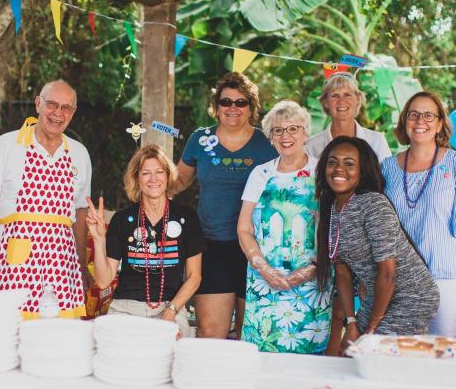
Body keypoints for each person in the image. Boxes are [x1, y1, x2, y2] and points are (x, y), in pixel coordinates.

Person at [0, 79, 92, 319]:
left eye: (66, 107)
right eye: (52, 104)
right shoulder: (8, 144)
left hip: (62, 265)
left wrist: (81, 263)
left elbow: (80, 213)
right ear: (38, 104)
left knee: (60, 332)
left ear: (73, 112)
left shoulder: (79, 153)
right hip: (13, 262)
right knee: (11, 329)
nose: (58, 113)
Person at [381, 91, 456, 338]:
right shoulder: (387, 168)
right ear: (404, 121)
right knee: (401, 350)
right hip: (402, 277)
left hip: (449, 275)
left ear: (440, 123)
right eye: (413, 114)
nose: (420, 121)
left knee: (446, 348)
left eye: (428, 115)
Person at [174, 72, 278, 339]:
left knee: (250, 334)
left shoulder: (268, 144)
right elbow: (178, 182)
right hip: (211, 246)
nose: (233, 107)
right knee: (210, 333)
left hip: (257, 249)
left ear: (251, 108)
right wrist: (149, 185)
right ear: (216, 106)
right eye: (226, 101)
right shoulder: (200, 140)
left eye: (241, 102)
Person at [315, 136, 440, 355]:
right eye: (332, 162)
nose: (339, 169)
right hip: (380, 295)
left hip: (411, 296)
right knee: (349, 353)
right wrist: (351, 323)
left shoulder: (374, 204)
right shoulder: (333, 208)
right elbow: (342, 272)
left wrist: (371, 330)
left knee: (370, 356)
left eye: (349, 164)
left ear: (362, 171)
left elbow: (388, 273)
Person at [237, 100, 330, 354]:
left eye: (293, 129)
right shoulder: (260, 174)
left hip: (311, 283)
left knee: (307, 356)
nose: (285, 136)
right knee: (262, 355)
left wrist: (309, 270)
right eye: (277, 130)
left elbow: (334, 228)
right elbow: (244, 228)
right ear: (270, 138)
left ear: (306, 133)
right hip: (263, 281)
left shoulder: (322, 171)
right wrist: (263, 267)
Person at [86, 145, 203, 336]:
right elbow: (103, 280)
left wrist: (171, 311)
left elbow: (194, 277)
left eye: (159, 172)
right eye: (146, 173)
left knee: (170, 349)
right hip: (125, 309)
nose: (153, 179)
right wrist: (99, 240)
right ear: (136, 179)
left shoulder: (186, 217)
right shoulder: (122, 219)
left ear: (168, 176)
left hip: (170, 307)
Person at [306, 72, 391, 162]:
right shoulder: (311, 146)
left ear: (358, 99)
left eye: (347, 95)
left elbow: (389, 171)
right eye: (335, 96)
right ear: (325, 102)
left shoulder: (377, 141)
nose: (341, 101)